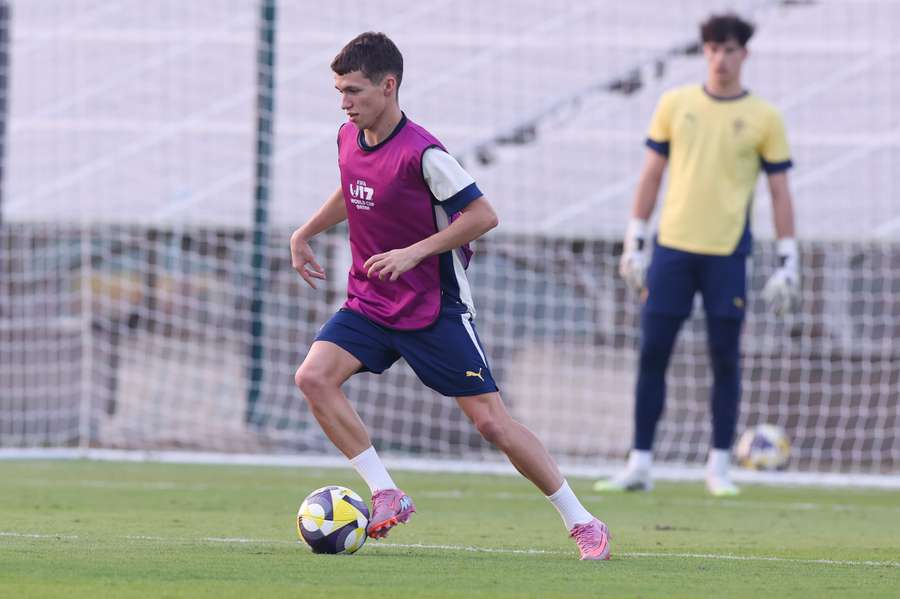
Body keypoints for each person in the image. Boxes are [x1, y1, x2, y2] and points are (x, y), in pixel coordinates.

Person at [291, 32, 610, 560]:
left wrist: (414, 253)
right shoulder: (348, 137)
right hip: (370, 302)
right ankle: (385, 491)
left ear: (388, 86)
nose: (344, 102)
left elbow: (484, 215)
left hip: (432, 308)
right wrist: (305, 232)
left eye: (354, 91)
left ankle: (583, 521)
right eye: (339, 91)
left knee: (491, 423)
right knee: (313, 377)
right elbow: (354, 190)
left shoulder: (424, 153)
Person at [594, 14, 799, 497]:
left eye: (729, 49)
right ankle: (640, 463)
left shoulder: (765, 117)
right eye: (712, 49)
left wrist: (790, 259)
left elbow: (779, 191)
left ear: (744, 54)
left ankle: (719, 466)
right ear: (704, 52)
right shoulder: (675, 103)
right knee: (653, 353)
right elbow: (651, 174)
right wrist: (634, 238)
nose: (720, 58)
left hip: (727, 255)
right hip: (672, 252)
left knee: (725, 358)